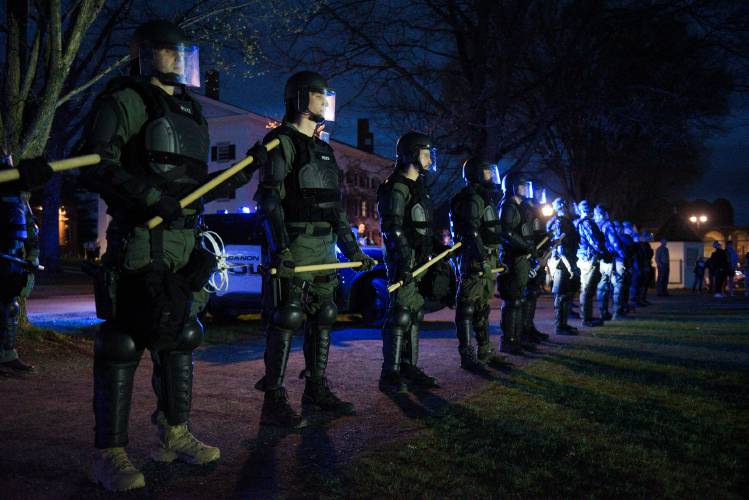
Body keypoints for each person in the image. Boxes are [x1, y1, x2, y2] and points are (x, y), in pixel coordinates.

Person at [79, 21, 265, 491]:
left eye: (185, 54)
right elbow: (95, 164)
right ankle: (109, 454)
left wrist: (232, 177)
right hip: (143, 237)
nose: (180, 62)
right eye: (169, 53)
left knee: (181, 333)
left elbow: (190, 181)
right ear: (145, 55)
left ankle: (173, 433)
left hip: (185, 238)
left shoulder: (191, 112)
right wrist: (144, 197)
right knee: (123, 339)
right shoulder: (125, 100)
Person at [253, 71, 375, 426]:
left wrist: (353, 251)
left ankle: (316, 388)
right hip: (296, 241)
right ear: (300, 99)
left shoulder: (324, 150)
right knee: (287, 316)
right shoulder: (281, 143)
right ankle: (274, 398)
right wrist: (281, 250)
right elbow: (270, 201)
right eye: (319, 97)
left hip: (324, 245)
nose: (326, 103)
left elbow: (336, 209)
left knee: (325, 315)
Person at [377, 131, 439, 392]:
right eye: (425, 153)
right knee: (400, 313)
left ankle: (409, 366)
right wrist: (403, 262)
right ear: (412, 154)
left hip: (418, 258)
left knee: (414, 312)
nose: (429, 158)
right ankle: (390, 373)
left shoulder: (418, 188)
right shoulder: (396, 187)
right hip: (403, 259)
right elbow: (393, 228)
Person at [449, 158, 504, 371]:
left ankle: (485, 351)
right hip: (473, 258)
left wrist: (494, 258)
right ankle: (467, 354)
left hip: (486, 257)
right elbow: (471, 232)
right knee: (467, 306)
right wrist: (481, 258)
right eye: (488, 173)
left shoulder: (483, 197)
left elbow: (488, 231)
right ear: (477, 174)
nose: (492, 177)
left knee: (482, 307)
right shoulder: (472, 198)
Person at [0, 152, 53, 375]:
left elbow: (31, 227)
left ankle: (7, 356)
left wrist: (33, 256)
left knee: (10, 307)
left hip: (13, 259)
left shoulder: (19, 195)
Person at [496, 172, 539, 354]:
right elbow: (506, 232)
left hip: (522, 257)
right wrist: (526, 246)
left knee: (519, 299)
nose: (525, 189)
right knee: (513, 300)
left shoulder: (520, 207)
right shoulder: (508, 206)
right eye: (522, 185)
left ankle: (518, 338)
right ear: (513, 186)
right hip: (513, 259)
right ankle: (509, 341)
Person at [546, 198, 579, 335]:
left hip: (568, 261)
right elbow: (560, 246)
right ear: (563, 206)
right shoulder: (560, 222)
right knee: (562, 295)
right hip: (562, 263)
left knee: (567, 294)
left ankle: (563, 324)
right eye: (569, 204)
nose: (572, 207)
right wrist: (569, 266)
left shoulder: (565, 222)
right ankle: (560, 326)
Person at [576, 200, 608, 327]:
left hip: (586, 258)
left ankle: (587, 317)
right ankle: (586, 319)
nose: (592, 212)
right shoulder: (586, 223)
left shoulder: (584, 222)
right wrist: (604, 253)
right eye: (590, 209)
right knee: (587, 289)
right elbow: (594, 241)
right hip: (588, 259)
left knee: (587, 289)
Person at [594, 205, 624, 320]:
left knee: (602, 286)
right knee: (618, 284)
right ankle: (617, 312)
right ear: (605, 214)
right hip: (610, 258)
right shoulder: (607, 225)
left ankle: (603, 312)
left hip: (599, 259)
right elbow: (615, 243)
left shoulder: (593, 225)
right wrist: (623, 255)